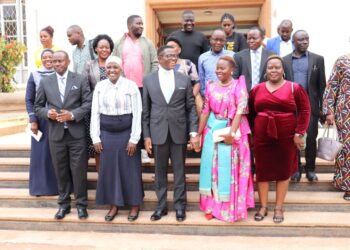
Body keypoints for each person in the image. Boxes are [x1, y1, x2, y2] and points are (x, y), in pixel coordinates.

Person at [249, 55, 311, 223]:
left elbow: (305, 111)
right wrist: (253, 134)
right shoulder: (257, 89)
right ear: (265, 71)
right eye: (270, 68)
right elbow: (250, 113)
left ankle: (278, 207)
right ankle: (263, 206)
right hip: (262, 136)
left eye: (277, 67)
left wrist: (299, 133)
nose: (273, 70)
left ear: (283, 70)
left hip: (286, 135)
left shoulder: (294, 88)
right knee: (262, 171)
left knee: (283, 170)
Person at [142, 46, 199, 222]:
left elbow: (191, 108)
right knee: (159, 173)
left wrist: (193, 132)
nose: (173, 59)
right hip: (157, 131)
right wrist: (147, 135)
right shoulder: (149, 79)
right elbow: (146, 110)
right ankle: (161, 207)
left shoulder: (183, 79)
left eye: (175, 56)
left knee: (179, 171)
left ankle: (180, 207)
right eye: (169, 56)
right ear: (159, 58)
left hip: (179, 131)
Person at [34, 50, 92, 220]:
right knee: (61, 171)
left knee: (79, 171)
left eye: (60, 60)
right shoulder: (45, 82)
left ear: (68, 62)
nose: (57, 63)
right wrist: (47, 113)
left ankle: (81, 205)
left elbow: (88, 103)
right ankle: (64, 205)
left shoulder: (80, 79)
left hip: (76, 134)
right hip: (56, 134)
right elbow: (38, 107)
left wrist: (72, 114)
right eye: (54, 61)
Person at [198, 56, 255, 222]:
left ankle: (231, 209)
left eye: (223, 68)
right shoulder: (210, 86)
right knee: (213, 168)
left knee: (231, 169)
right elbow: (205, 111)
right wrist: (198, 134)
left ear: (231, 70)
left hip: (234, 132)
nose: (219, 71)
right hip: (214, 131)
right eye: (217, 68)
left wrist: (231, 133)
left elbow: (240, 110)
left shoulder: (238, 85)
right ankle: (212, 207)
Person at [90, 56, 143, 221]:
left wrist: (134, 139)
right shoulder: (100, 86)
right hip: (107, 134)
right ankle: (114, 205)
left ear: (121, 69)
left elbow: (137, 113)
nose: (112, 70)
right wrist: (95, 137)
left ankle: (134, 205)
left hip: (127, 133)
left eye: (115, 67)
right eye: (109, 67)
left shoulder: (131, 86)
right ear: (105, 70)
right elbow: (95, 113)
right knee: (110, 170)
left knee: (130, 170)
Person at [113, 14, 158, 163]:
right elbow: (114, 64)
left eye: (142, 23)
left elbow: (155, 63)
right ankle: (131, 146)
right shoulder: (119, 43)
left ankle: (144, 150)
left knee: (143, 116)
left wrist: (150, 82)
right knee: (129, 117)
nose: (141, 26)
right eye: (138, 23)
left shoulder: (148, 43)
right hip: (125, 88)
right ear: (129, 25)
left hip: (143, 87)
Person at [284, 30, 326, 182]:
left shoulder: (318, 59)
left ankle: (310, 169)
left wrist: (324, 109)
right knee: (293, 139)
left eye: (306, 39)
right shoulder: (285, 60)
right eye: (300, 40)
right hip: (291, 108)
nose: (304, 42)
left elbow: (322, 86)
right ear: (293, 42)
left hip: (311, 107)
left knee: (311, 139)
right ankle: (296, 169)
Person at [25, 49, 58, 196]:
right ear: (41, 60)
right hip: (40, 120)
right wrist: (33, 120)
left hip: (57, 119)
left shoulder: (60, 74)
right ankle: (39, 188)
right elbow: (29, 99)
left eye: (51, 57)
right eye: (45, 57)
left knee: (56, 153)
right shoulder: (35, 75)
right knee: (40, 154)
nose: (48, 59)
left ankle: (57, 188)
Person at [82, 34, 114, 172]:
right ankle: (101, 173)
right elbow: (85, 86)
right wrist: (92, 102)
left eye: (107, 47)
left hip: (113, 108)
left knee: (111, 140)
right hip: (94, 107)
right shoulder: (89, 65)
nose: (104, 50)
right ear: (95, 49)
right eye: (101, 47)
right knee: (97, 141)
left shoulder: (115, 64)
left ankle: (112, 173)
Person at [322, 54, 350, 200]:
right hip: (346, 113)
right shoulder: (342, 61)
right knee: (346, 149)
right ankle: (347, 186)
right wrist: (329, 111)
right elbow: (332, 86)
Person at [165, 36, 202, 114]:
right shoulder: (162, 65)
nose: (170, 49)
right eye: (168, 47)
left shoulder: (188, 63)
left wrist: (190, 98)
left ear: (179, 50)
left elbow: (197, 83)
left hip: (186, 101)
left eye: (172, 47)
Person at [233, 26, 275, 92]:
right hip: (245, 96)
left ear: (262, 38)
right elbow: (235, 77)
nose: (251, 41)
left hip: (266, 94)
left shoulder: (271, 56)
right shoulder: (239, 56)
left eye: (254, 38)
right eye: (249, 38)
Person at [198, 29, 234, 95]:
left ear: (225, 41)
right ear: (210, 40)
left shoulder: (232, 55)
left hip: (229, 95)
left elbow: (235, 76)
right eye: (215, 39)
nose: (218, 42)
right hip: (210, 95)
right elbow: (201, 79)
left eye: (221, 40)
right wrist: (204, 94)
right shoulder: (202, 58)